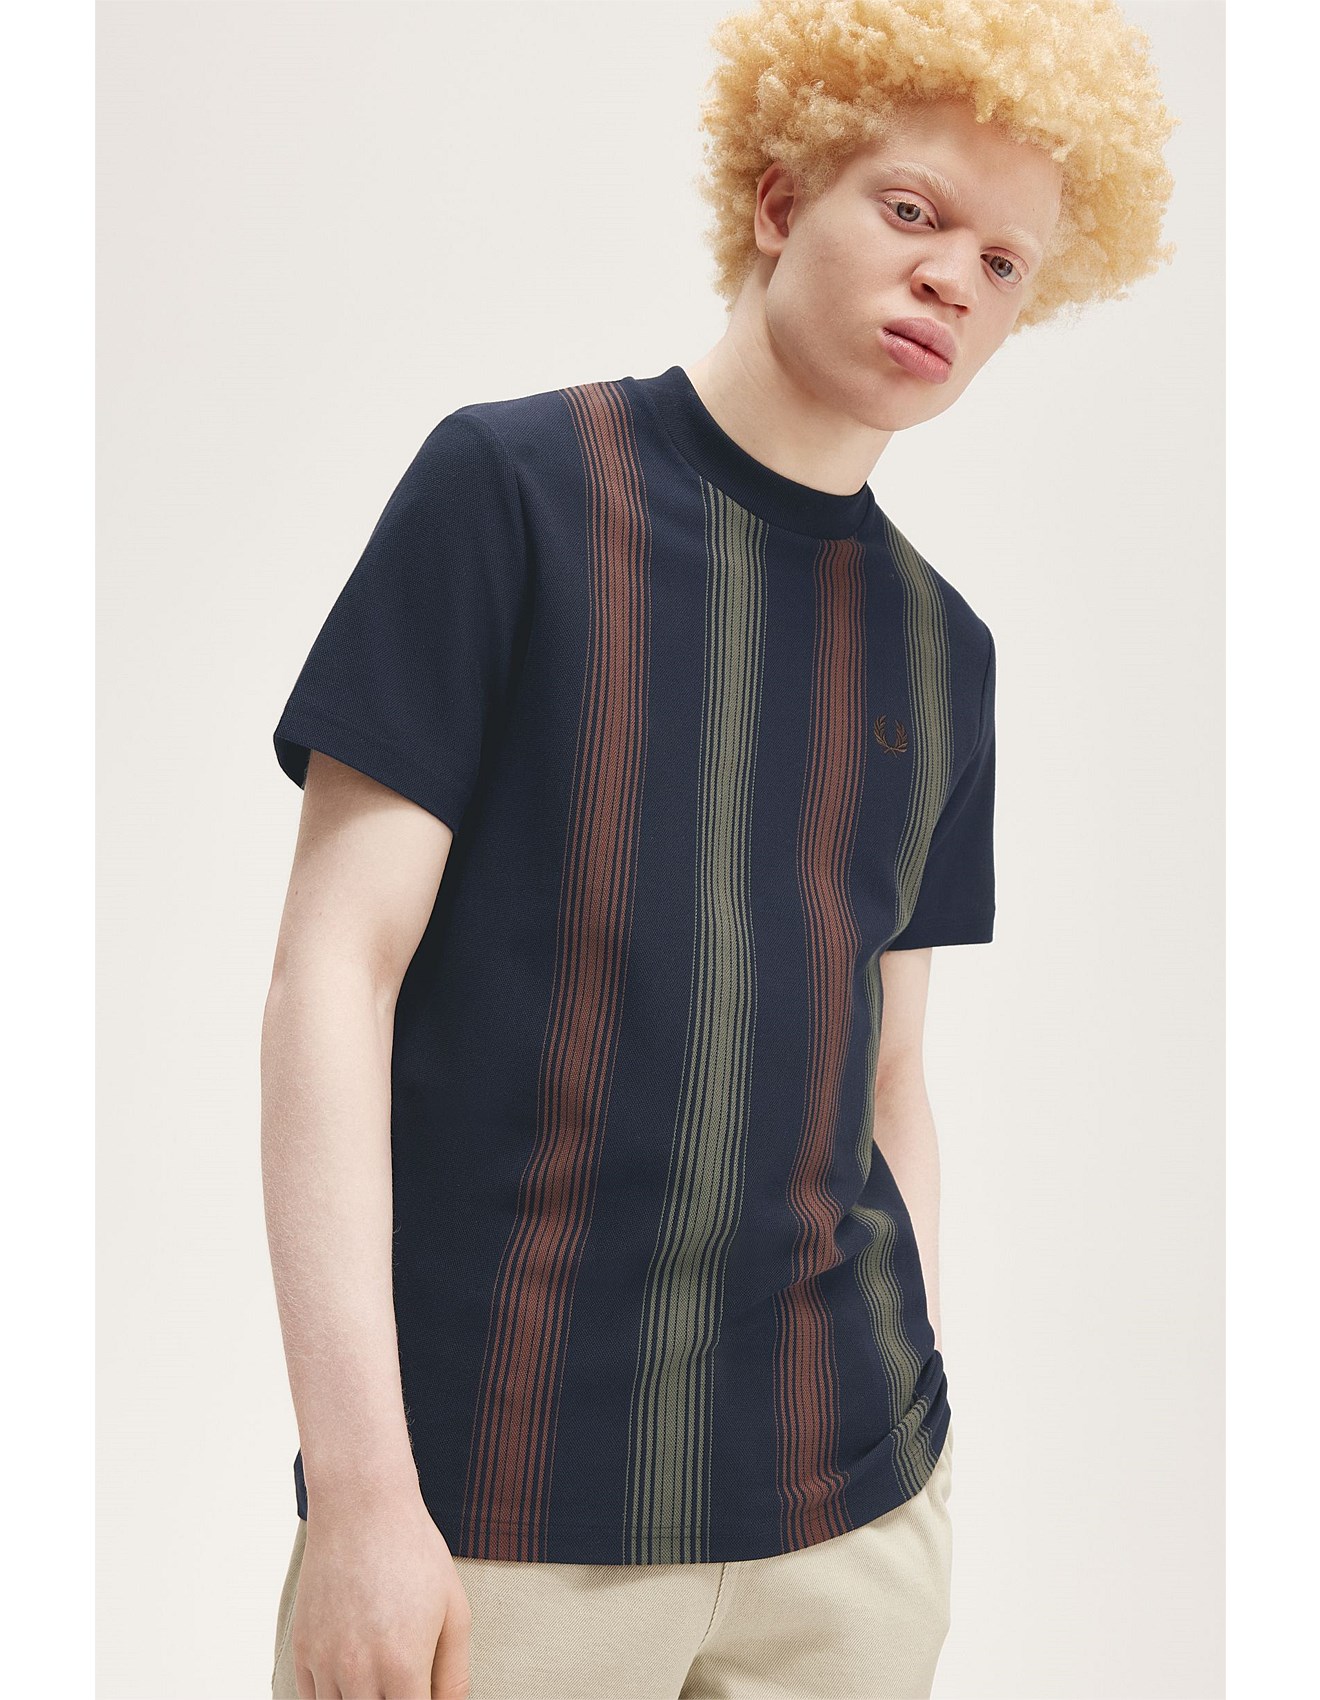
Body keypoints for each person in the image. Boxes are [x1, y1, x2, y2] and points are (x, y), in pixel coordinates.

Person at [261, 1, 1176, 1696]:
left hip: (850, 1532)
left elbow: (889, 1078)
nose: (952, 283)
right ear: (777, 196)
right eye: (912, 212)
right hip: (499, 1513)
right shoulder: (514, 491)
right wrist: (363, 1493)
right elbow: (335, 978)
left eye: (1003, 264)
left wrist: (922, 1418)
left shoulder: (944, 653)